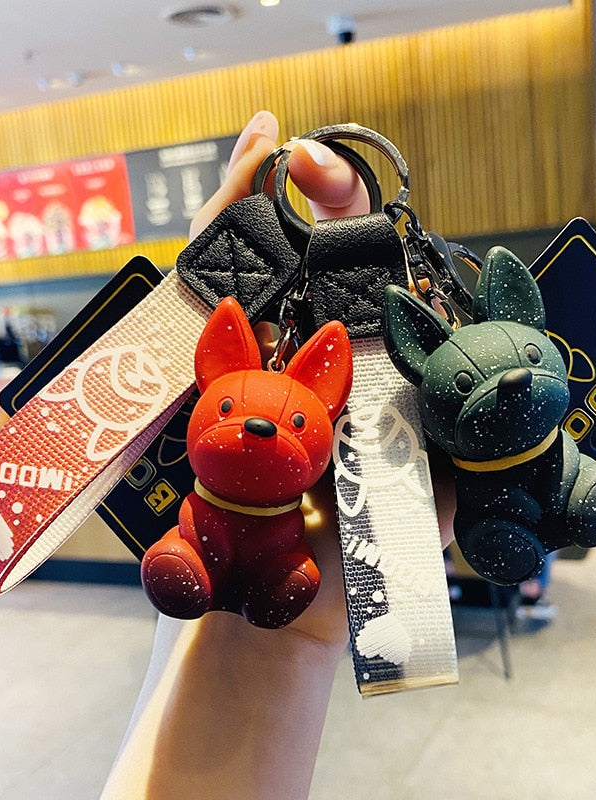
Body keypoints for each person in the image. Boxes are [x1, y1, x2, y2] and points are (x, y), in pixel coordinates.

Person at [100, 110, 457, 800]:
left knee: (282, 569)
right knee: (191, 548)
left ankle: (266, 581)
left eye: (292, 421)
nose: (261, 427)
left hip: (288, 539)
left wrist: (287, 646)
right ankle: (191, 564)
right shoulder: (216, 362)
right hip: (205, 524)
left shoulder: (338, 393)